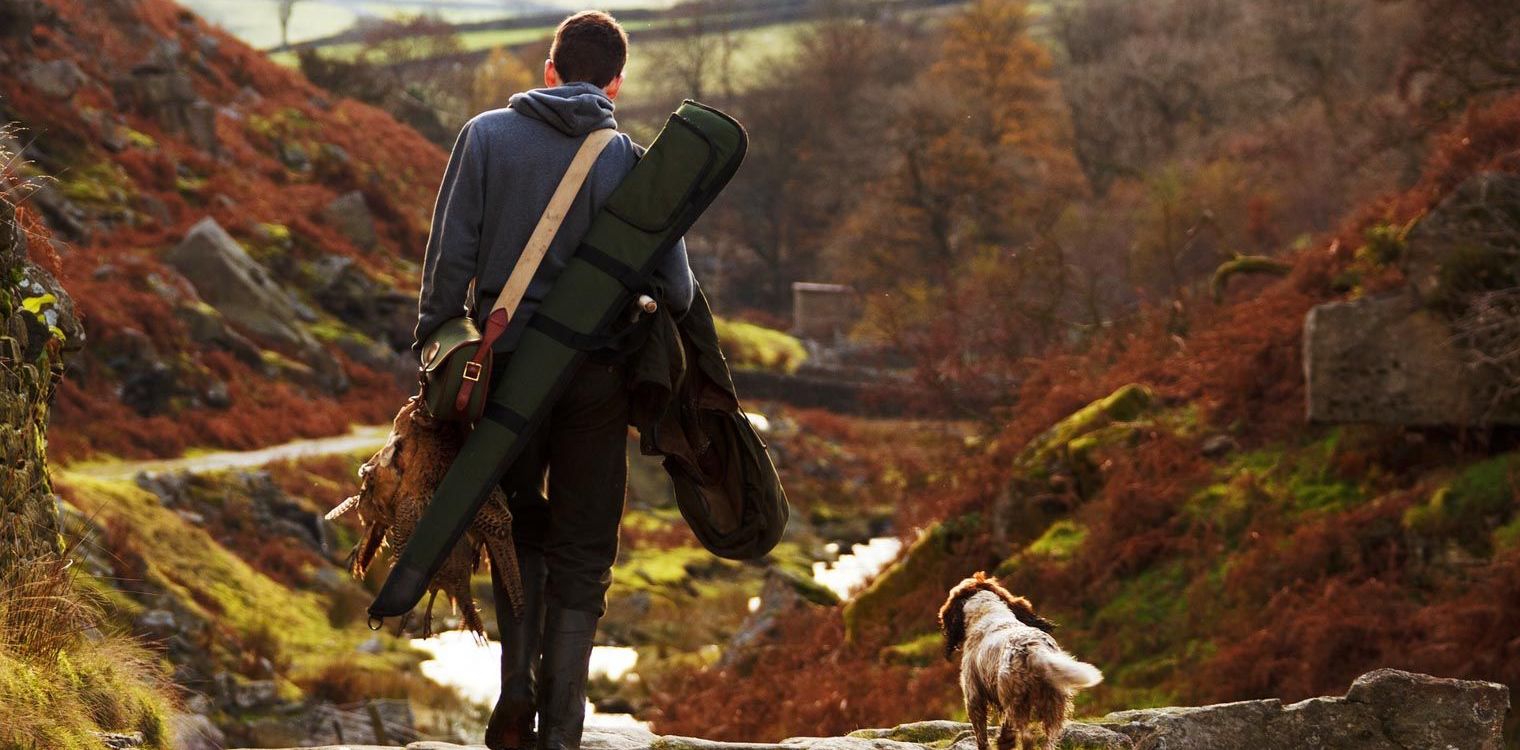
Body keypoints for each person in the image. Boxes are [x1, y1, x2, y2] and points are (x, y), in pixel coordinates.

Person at [411, 11, 694, 750]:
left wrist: (439, 363)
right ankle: (564, 729)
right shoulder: (629, 160)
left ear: (548, 70)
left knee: (513, 532)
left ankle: (515, 694)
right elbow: (681, 291)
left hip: (504, 378)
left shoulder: (483, 137)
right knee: (584, 549)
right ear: (615, 84)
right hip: (595, 381)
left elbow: (447, 269)